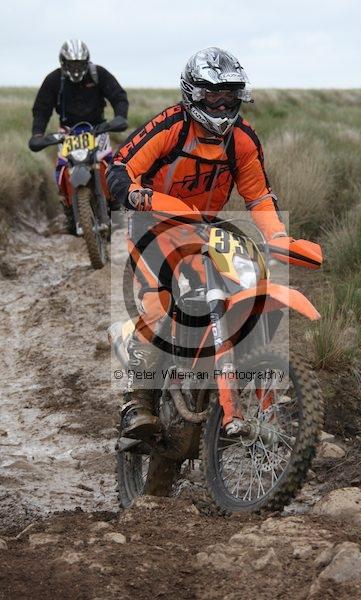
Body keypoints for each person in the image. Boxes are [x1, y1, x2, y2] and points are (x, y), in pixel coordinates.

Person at [107, 47, 287, 439]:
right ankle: (138, 402)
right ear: (193, 94)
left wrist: (277, 236)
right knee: (160, 304)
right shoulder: (171, 127)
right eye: (212, 96)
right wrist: (133, 193)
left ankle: (249, 375)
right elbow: (121, 166)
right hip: (153, 224)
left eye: (229, 96)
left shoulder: (242, 140)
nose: (221, 105)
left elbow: (258, 196)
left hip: (203, 229)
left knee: (248, 286)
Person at [29, 39, 129, 222]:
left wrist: (120, 116)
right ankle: (66, 203)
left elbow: (119, 96)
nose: (76, 69)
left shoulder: (98, 74)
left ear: (86, 62)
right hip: (67, 132)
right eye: (71, 64)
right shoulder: (53, 80)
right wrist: (37, 133)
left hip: (97, 128)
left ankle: (115, 198)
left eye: (80, 64)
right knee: (62, 166)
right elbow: (41, 109)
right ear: (63, 63)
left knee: (111, 162)